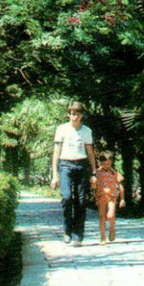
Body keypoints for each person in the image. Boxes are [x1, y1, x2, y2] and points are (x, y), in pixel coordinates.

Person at [51, 100, 96, 246]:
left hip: (81, 165)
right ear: (68, 115)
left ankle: (78, 235)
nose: (74, 117)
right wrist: (55, 175)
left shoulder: (86, 131)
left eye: (77, 114)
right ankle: (67, 230)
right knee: (66, 197)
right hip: (66, 165)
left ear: (81, 115)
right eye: (71, 114)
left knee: (81, 201)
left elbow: (90, 153)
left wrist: (94, 173)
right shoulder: (61, 129)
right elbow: (56, 153)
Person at [93, 150, 125, 244]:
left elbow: (120, 187)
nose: (106, 166)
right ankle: (103, 237)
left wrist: (122, 199)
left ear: (111, 162)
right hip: (101, 196)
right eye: (104, 164)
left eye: (108, 164)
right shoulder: (97, 173)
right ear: (100, 162)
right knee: (102, 217)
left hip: (112, 197)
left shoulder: (115, 173)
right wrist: (93, 184)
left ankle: (112, 228)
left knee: (110, 215)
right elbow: (93, 185)